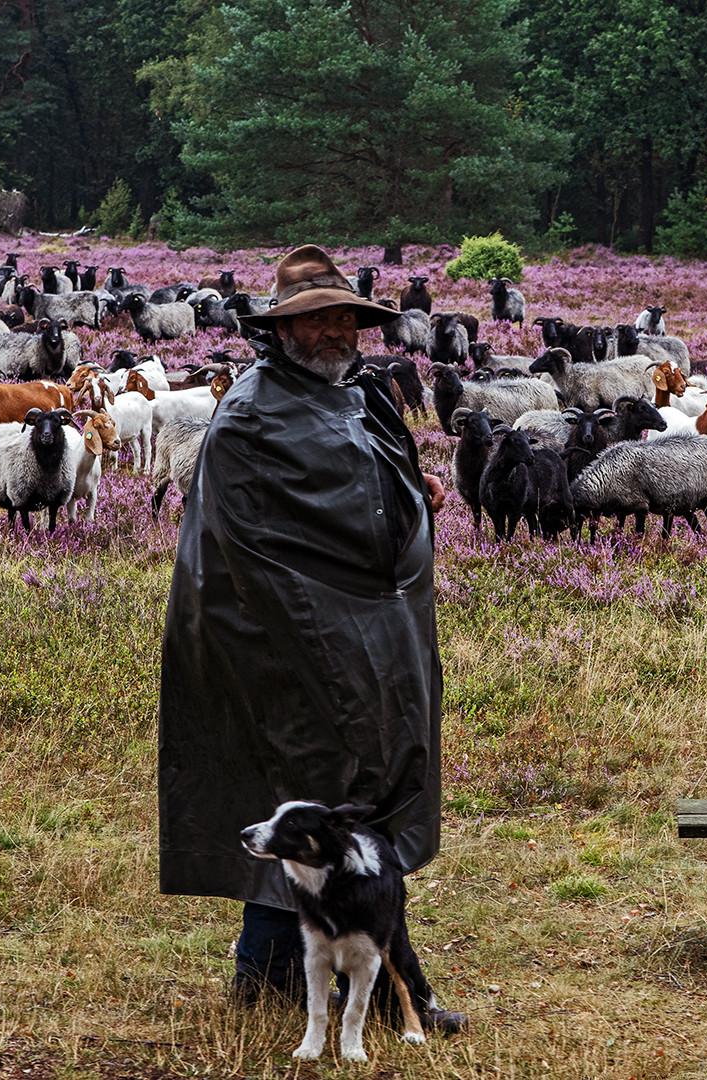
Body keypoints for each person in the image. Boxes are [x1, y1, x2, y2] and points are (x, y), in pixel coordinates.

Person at [156, 245, 462, 1032]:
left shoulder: (356, 396)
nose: (334, 332)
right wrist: (323, 647)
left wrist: (413, 492)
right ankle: (269, 979)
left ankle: (383, 985)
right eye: (315, 319)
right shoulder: (253, 418)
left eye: (344, 318)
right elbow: (247, 550)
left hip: (370, 635)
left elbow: (371, 480)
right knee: (293, 795)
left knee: (361, 804)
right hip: (282, 648)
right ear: (281, 330)